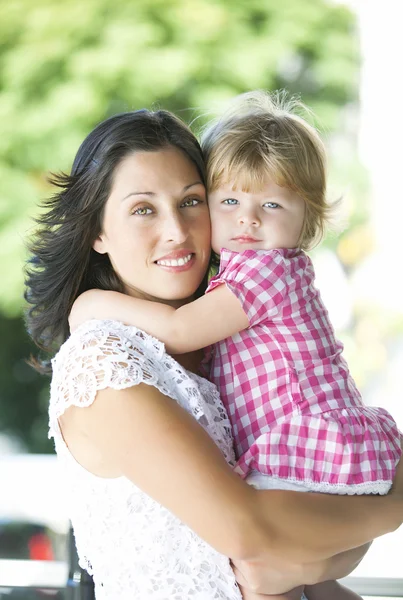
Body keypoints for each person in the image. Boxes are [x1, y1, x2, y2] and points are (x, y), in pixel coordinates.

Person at [25, 107, 403, 600]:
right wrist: (393, 507)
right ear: (97, 231)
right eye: (143, 209)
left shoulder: (222, 347)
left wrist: (319, 557)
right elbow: (249, 533)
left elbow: (302, 561)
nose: (177, 232)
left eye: (191, 201)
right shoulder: (105, 366)